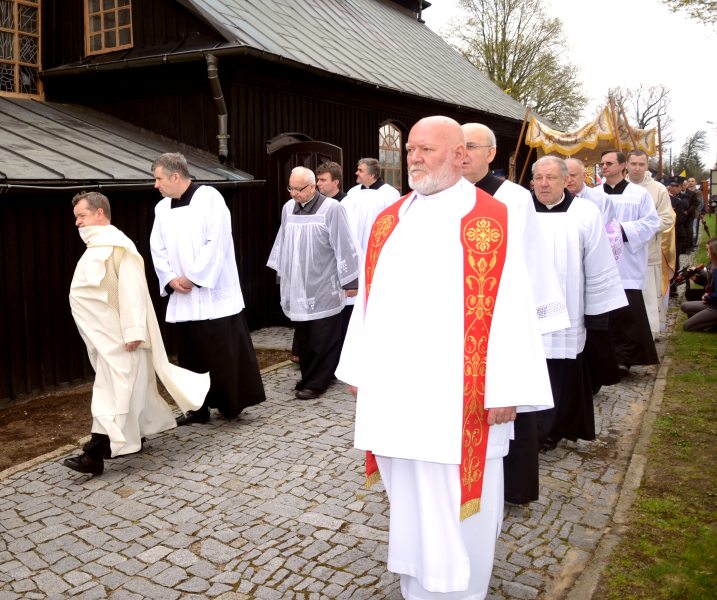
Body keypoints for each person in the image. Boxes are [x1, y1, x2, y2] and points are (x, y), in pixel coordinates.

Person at [337, 116, 558, 599]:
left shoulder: (490, 219)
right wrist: (359, 368)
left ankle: (465, 590)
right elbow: (370, 299)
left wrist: (508, 387)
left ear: (460, 155)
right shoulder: (389, 220)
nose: (414, 158)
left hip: (463, 401)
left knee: (463, 503)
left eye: (426, 149)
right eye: (410, 150)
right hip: (398, 396)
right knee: (410, 497)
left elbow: (513, 306)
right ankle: (418, 586)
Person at [461, 122, 569, 505]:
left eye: (471, 146)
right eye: (458, 147)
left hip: (501, 318)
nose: (463, 154)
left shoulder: (514, 198)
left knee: (510, 404)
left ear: (490, 153)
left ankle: (512, 488)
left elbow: (533, 261)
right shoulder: (445, 195)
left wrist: (532, 324)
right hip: (459, 322)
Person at [66, 191, 210, 475]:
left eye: (82, 216)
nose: (77, 222)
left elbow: (132, 291)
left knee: (111, 392)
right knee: (130, 388)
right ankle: (136, 437)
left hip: (121, 337)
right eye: (76, 217)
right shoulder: (97, 246)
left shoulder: (119, 247)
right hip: (104, 336)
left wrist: (133, 330)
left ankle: (94, 454)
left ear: (99, 213)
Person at [150, 153, 265, 425]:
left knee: (222, 353)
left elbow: (217, 241)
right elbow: (157, 247)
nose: (156, 185)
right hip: (183, 296)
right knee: (191, 356)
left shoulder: (209, 198)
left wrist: (193, 277)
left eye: (159, 178)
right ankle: (197, 408)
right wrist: (170, 278)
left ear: (175, 176)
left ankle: (230, 405)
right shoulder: (162, 208)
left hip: (213, 295)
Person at [530, 157, 627, 451]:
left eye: (550, 178)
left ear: (565, 181)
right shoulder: (520, 211)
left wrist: (596, 312)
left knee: (560, 371)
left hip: (568, 308)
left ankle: (552, 429)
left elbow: (597, 261)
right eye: (538, 178)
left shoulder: (585, 213)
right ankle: (527, 430)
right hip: (526, 309)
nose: (544, 184)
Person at [267, 166, 360, 400]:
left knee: (323, 336)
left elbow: (344, 244)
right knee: (304, 335)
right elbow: (283, 241)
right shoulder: (288, 208)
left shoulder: (332, 209)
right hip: (298, 283)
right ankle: (308, 376)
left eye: (298, 189)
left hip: (324, 283)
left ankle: (318, 382)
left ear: (312, 187)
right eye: (291, 188)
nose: (293, 194)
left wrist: (350, 281)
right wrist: (282, 273)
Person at [598, 150, 660, 373]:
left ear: (622, 165)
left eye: (609, 163)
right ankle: (605, 357)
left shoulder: (639, 194)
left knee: (627, 313)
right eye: (602, 163)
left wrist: (620, 231)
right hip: (601, 262)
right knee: (604, 313)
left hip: (627, 262)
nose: (604, 167)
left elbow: (651, 223)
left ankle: (625, 357)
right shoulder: (594, 195)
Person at [340, 159, 401, 344]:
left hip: (376, 250)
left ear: (372, 174)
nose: (356, 173)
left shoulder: (389, 194)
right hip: (354, 250)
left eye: (360, 170)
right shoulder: (352, 193)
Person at [625, 150, 674, 338]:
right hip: (623, 254)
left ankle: (649, 334)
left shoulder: (658, 189)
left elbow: (667, 219)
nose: (637, 168)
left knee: (648, 296)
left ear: (647, 166)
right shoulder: (618, 188)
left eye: (641, 164)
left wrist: (639, 229)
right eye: (633, 164)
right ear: (626, 165)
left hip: (648, 252)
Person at [565, 158, 623, 261]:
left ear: (584, 176)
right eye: (565, 176)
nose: (569, 180)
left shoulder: (601, 200)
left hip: (594, 258)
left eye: (573, 175)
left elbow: (612, 235)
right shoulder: (553, 200)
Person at [680, 238, 717, 332]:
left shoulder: (715, 269)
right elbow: (710, 284)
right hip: (711, 303)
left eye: (708, 251)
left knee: (687, 326)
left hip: (714, 305)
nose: (707, 253)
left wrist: (708, 297)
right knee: (685, 306)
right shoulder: (713, 265)